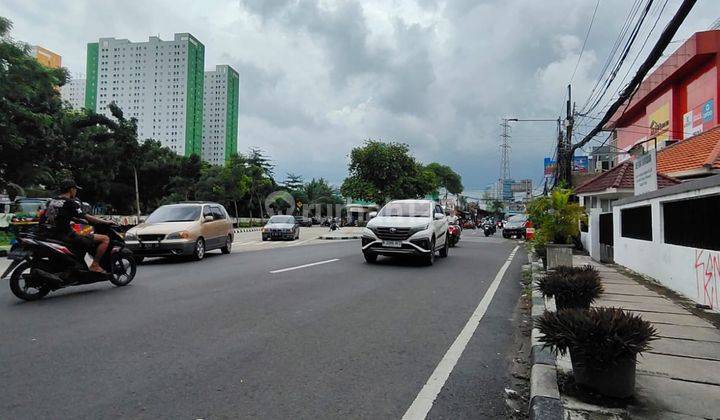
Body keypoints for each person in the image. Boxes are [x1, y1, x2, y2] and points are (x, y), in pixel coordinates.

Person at [40, 179, 113, 273]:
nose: (76, 192)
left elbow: (58, 215)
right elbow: (86, 216)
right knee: (105, 239)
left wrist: (74, 220)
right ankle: (95, 265)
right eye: (75, 189)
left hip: (46, 233)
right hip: (64, 235)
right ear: (71, 190)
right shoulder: (70, 203)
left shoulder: (51, 201)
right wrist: (104, 222)